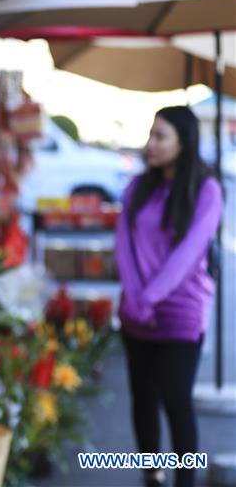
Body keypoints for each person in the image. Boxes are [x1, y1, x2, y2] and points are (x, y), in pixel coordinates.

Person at [115, 105, 223, 487]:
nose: (152, 144)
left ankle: (184, 482)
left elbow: (189, 252)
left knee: (176, 400)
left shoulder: (206, 190)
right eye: (151, 134)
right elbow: (123, 247)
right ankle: (153, 478)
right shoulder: (137, 188)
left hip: (181, 313)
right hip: (134, 311)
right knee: (142, 400)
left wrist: (149, 298)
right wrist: (134, 297)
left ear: (184, 141)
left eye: (161, 136)